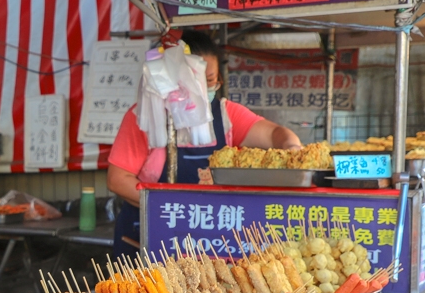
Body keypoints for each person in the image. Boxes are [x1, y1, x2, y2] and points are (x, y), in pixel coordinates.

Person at [107, 30, 302, 257]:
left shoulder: (225, 114)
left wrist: (293, 149)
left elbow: (276, 134)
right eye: (203, 80)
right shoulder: (146, 116)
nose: (208, 87)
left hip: (208, 239)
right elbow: (118, 179)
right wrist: (178, 210)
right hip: (147, 237)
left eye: (213, 80)